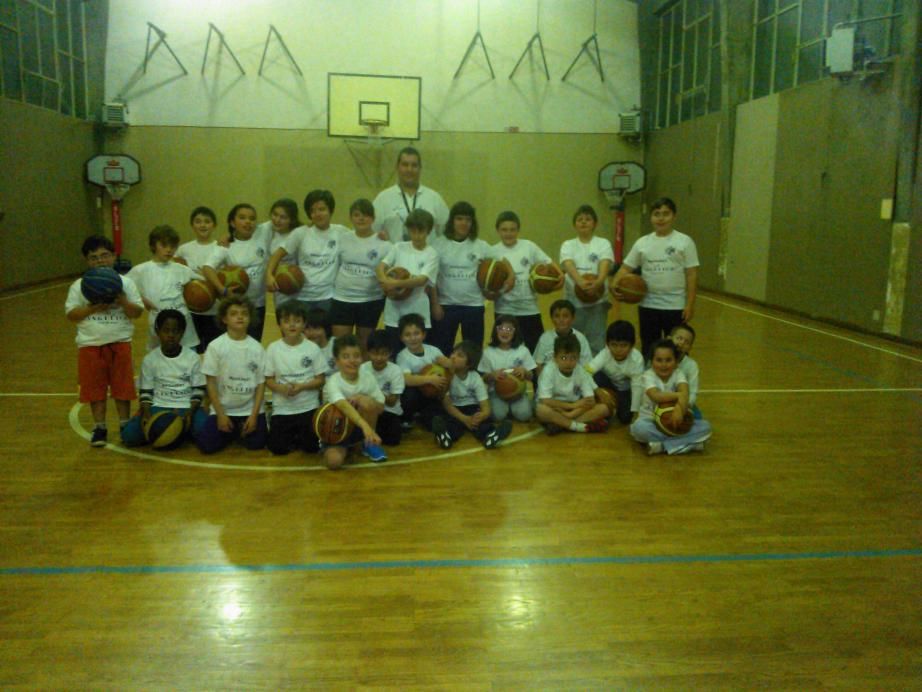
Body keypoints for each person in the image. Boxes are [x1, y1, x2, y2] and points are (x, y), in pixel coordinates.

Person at [65, 235, 143, 446]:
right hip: (90, 344)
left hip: (120, 342)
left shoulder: (126, 283)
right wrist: (92, 308)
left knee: (122, 388)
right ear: (87, 261)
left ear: (114, 256)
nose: (100, 260)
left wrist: (122, 301)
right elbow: (71, 315)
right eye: (94, 257)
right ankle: (100, 427)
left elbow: (137, 312)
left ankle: (125, 425)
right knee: (95, 390)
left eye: (104, 255)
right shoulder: (79, 286)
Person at [611, 197, 699, 359]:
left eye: (666, 214)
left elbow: (691, 274)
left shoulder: (685, 242)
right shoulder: (642, 243)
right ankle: (649, 375)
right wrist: (614, 284)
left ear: (674, 216)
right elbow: (625, 267)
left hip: (675, 305)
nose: (661, 218)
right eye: (657, 214)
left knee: (677, 349)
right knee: (649, 347)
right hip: (648, 305)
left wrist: (690, 304)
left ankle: (677, 375)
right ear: (651, 217)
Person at [121, 310, 207, 447]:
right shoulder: (150, 359)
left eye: (175, 331)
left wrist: (190, 413)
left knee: (205, 434)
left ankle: (177, 431)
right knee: (128, 436)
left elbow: (199, 390)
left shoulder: (193, 358)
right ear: (157, 331)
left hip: (187, 407)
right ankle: (178, 432)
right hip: (158, 407)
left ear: (182, 333)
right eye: (166, 331)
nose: (171, 335)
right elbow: (145, 392)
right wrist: (147, 414)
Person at [197, 295, 268, 454]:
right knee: (207, 446)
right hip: (224, 409)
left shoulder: (257, 348)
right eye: (234, 313)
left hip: (249, 410)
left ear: (250, 318)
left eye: (244, 313)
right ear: (224, 319)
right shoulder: (215, 347)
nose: (240, 317)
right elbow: (210, 383)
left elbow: (261, 384)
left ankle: (237, 429)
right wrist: (220, 415)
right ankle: (232, 429)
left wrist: (254, 415)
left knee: (257, 444)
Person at [266, 189, 346, 314]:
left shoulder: (341, 232)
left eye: (322, 209)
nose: (317, 214)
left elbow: (361, 238)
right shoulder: (301, 233)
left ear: (330, 210)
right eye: (313, 211)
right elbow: (277, 254)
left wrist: (377, 236)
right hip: (302, 297)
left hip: (328, 297)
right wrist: (269, 275)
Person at [202, 203, 273, 342]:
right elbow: (207, 268)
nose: (248, 222)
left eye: (252, 218)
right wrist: (222, 290)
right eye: (242, 218)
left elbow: (283, 216)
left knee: (254, 344)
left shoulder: (262, 232)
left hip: (258, 305)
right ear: (232, 222)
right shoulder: (226, 245)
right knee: (234, 343)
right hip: (236, 307)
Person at [487, 210, 556, 352]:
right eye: (504, 230)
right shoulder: (492, 252)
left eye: (512, 229)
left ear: (518, 230)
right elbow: (487, 284)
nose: (508, 233)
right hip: (504, 311)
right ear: (498, 231)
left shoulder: (529, 246)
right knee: (505, 351)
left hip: (529, 309)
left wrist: (557, 277)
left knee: (536, 350)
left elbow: (549, 264)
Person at [329, 198, 392, 352]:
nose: (361, 219)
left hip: (370, 300)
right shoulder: (343, 238)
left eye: (366, 215)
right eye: (357, 215)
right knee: (341, 345)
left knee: (364, 345)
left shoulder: (384, 244)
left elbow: (389, 272)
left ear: (373, 218)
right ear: (351, 218)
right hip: (342, 298)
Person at [429, 201, 491, 355]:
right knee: (441, 350)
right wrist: (435, 304)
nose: (464, 223)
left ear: (473, 223)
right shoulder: (438, 245)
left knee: (473, 352)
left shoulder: (482, 246)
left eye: (468, 219)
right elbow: (431, 278)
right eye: (459, 218)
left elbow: (500, 266)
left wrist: (506, 280)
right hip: (445, 305)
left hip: (473, 306)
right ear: (452, 221)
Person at [630, 338, 711, 455]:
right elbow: (656, 396)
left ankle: (662, 446)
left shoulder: (678, 374)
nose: (664, 365)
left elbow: (685, 392)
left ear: (676, 362)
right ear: (651, 362)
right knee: (639, 429)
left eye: (668, 360)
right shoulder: (648, 376)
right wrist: (679, 395)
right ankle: (688, 444)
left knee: (706, 427)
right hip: (651, 422)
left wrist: (679, 410)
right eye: (659, 360)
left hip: (675, 422)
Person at [264, 302, 325, 456]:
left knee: (311, 449)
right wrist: (281, 388)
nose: (292, 325)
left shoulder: (312, 348)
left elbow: (320, 380)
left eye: (297, 321)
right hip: (283, 408)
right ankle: (283, 428)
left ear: (304, 324)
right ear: (279, 324)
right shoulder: (273, 349)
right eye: (286, 321)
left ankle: (298, 436)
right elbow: (268, 379)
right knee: (277, 449)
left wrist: (302, 387)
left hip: (308, 407)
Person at [127, 225, 200, 352]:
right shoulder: (141, 270)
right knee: (159, 360)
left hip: (185, 327)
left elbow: (205, 284)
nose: (169, 250)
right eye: (164, 245)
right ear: (153, 245)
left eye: (173, 246)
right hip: (159, 326)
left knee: (188, 360)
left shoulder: (182, 270)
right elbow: (122, 287)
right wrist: (141, 298)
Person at [376, 209, 440, 353]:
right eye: (413, 231)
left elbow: (421, 280)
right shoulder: (398, 247)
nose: (416, 235)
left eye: (421, 231)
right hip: (394, 311)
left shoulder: (431, 254)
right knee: (394, 353)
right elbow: (381, 266)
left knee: (417, 355)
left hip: (417, 310)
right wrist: (384, 281)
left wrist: (395, 283)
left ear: (429, 231)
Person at [320, 335, 387, 469]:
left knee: (367, 401)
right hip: (335, 430)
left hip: (360, 429)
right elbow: (343, 405)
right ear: (337, 361)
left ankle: (367, 442)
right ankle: (346, 446)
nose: (352, 361)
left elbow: (380, 407)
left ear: (362, 358)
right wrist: (365, 427)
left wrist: (363, 399)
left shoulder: (367, 378)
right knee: (334, 462)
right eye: (346, 357)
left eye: (356, 356)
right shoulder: (333, 382)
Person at [431, 341, 513, 450]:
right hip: (454, 409)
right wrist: (465, 419)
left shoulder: (475, 378)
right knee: (451, 423)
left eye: (460, 355)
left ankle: (492, 436)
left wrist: (482, 415)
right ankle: (444, 436)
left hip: (472, 408)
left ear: (469, 364)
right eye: (453, 353)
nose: (453, 357)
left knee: (483, 424)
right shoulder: (446, 375)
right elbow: (447, 404)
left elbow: (485, 405)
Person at [559, 204, 614, 354]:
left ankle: (594, 368)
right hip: (573, 301)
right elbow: (568, 264)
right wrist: (580, 282)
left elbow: (605, 263)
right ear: (574, 224)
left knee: (596, 341)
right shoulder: (568, 244)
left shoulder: (603, 243)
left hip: (598, 300)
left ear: (595, 223)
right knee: (573, 340)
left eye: (588, 219)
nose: (583, 222)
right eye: (580, 219)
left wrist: (599, 282)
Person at [535, 333, 610, 435]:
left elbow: (590, 400)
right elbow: (545, 400)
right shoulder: (548, 370)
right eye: (563, 358)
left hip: (574, 409)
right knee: (541, 410)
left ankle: (561, 424)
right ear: (555, 357)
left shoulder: (581, 371)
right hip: (556, 406)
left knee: (604, 409)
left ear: (578, 358)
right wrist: (572, 406)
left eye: (573, 358)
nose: (568, 362)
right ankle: (577, 427)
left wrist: (571, 414)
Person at [373, 146, 449, 241]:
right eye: (405, 165)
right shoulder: (383, 199)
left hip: (427, 250)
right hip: (394, 250)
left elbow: (446, 234)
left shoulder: (434, 199)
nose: (409, 169)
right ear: (397, 167)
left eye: (414, 165)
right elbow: (372, 232)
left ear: (420, 168)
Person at [176, 206, 222, 353]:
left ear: (214, 225)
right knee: (194, 352)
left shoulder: (220, 248)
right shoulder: (183, 250)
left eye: (207, 221)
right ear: (192, 225)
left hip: (216, 310)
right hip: (191, 312)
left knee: (214, 352)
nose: (203, 225)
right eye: (198, 221)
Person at [395, 313, 452, 431]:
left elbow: (449, 369)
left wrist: (448, 364)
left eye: (416, 333)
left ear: (424, 334)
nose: (413, 338)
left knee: (436, 421)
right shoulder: (402, 356)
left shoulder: (433, 351)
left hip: (432, 395)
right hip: (415, 395)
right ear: (401, 338)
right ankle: (407, 417)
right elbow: (407, 379)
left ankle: (424, 417)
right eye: (407, 335)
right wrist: (430, 379)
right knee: (409, 395)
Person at [478, 314, 537, 423]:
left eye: (509, 329)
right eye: (501, 328)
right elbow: (484, 378)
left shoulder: (523, 350)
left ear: (515, 332)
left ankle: (527, 405)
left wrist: (524, 371)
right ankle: (505, 409)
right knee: (497, 416)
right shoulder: (488, 352)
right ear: (495, 331)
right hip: (496, 393)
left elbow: (531, 376)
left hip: (518, 393)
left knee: (525, 415)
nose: (505, 332)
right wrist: (492, 375)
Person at [586, 320, 645, 425]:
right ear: (607, 344)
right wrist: (597, 391)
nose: (618, 350)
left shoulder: (637, 359)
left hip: (626, 391)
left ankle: (612, 406)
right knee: (596, 376)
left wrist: (635, 412)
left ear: (632, 345)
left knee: (625, 418)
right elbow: (585, 372)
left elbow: (637, 387)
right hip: (608, 384)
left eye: (623, 345)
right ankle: (603, 405)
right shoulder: (605, 353)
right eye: (614, 345)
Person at [360, 330, 406, 446]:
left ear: (390, 353)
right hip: (369, 412)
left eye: (384, 353)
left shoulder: (395, 371)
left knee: (393, 441)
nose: (379, 358)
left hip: (389, 412)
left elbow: (392, 401)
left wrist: (374, 392)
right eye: (375, 353)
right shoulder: (362, 369)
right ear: (368, 352)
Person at [532, 299, 592, 377]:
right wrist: (542, 381)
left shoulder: (580, 338)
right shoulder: (545, 338)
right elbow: (538, 364)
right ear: (552, 319)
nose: (561, 320)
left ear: (573, 318)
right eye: (557, 316)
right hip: (550, 379)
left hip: (575, 379)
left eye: (565, 316)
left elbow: (586, 365)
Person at [261, 198, 302, 310]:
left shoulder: (298, 234)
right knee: (282, 317)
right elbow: (249, 230)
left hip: (297, 286)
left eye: (283, 217)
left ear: (291, 220)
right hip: (279, 287)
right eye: (275, 214)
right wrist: (229, 236)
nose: (277, 220)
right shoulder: (267, 228)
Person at [670, 322, 701, 418]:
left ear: (690, 348)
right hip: (659, 402)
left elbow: (692, 392)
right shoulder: (657, 359)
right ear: (669, 339)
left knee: (699, 421)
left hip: (683, 404)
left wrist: (683, 406)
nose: (681, 343)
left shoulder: (692, 365)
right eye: (679, 338)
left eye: (686, 342)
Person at [304, 307, 336, 375]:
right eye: (307, 328)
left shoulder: (337, 345)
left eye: (316, 328)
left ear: (326, 329)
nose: (312, 333)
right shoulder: (302, 347)